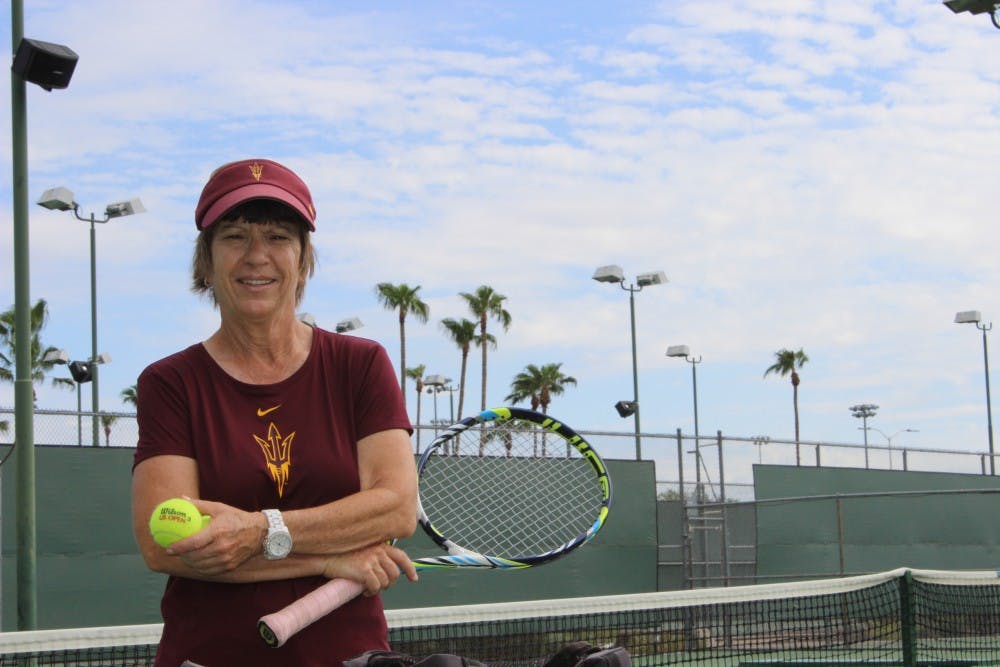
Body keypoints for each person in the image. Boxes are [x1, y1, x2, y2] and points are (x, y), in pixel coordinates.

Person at [131, 158, 419, 666]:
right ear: (206, 260)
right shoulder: (169, 383)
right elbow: (164, 546)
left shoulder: (361, 364)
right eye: (235, 236)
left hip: (349, 654)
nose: (256, 256)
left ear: (304, 259)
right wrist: (330, 557)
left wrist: (260, 532)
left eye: (279, 237)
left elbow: (395, 506)